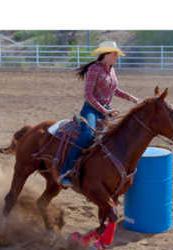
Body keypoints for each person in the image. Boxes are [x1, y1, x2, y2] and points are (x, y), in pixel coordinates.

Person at [58, 41, 139, 187]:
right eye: (115, 54)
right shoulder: (94, 69)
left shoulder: (111, 69)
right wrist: (104, 110)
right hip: (91, 110)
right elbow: (88, 95)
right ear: (106, 54)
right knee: (87, 135)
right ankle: (66, 171)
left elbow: (114, 89)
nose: (117, 57)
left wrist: (130, 97)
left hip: (106, 109)